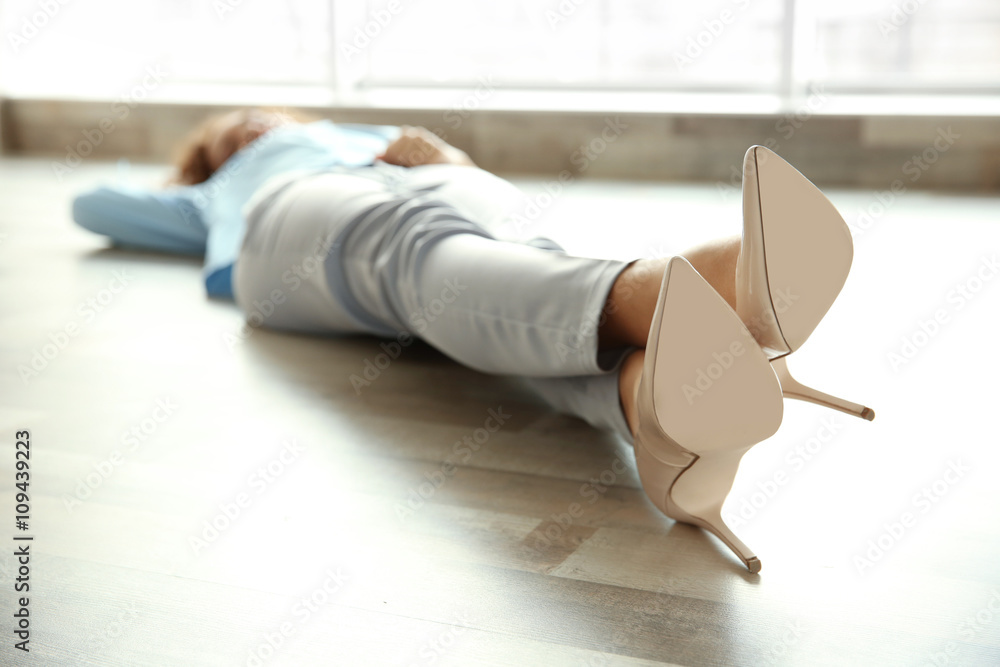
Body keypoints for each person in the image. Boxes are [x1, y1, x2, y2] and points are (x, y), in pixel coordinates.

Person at [72, 108, 873, 573]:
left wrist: (445, 156)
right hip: (296, 229)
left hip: (439, 191)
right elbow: (94, 207)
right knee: (420, 259)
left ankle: (647, 403)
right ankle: (700, 289)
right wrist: (199, 174)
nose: (249, 120)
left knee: (512, 272)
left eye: (257, 113)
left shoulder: (372, 130)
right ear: (211, 157)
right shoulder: (220, 191)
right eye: (227, 130)